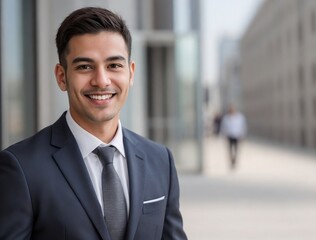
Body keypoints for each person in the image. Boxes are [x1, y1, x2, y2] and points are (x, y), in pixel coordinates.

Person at [0, 7, 187, 240]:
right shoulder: (21, 168)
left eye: (114, 65)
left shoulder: (160, 160)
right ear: (61, 76)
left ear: (131, 74)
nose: (101, 80)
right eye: (85, 67)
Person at [220, 105, 247, 169]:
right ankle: (231, 160)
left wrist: (243, 135)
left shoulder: (240, 117)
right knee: (230, 150)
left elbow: (243, 126)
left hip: (237, 135)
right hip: (229, 135)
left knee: (236, 149)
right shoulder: (226, 118)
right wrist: (223, 135)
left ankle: (234, 159)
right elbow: (223, 127)